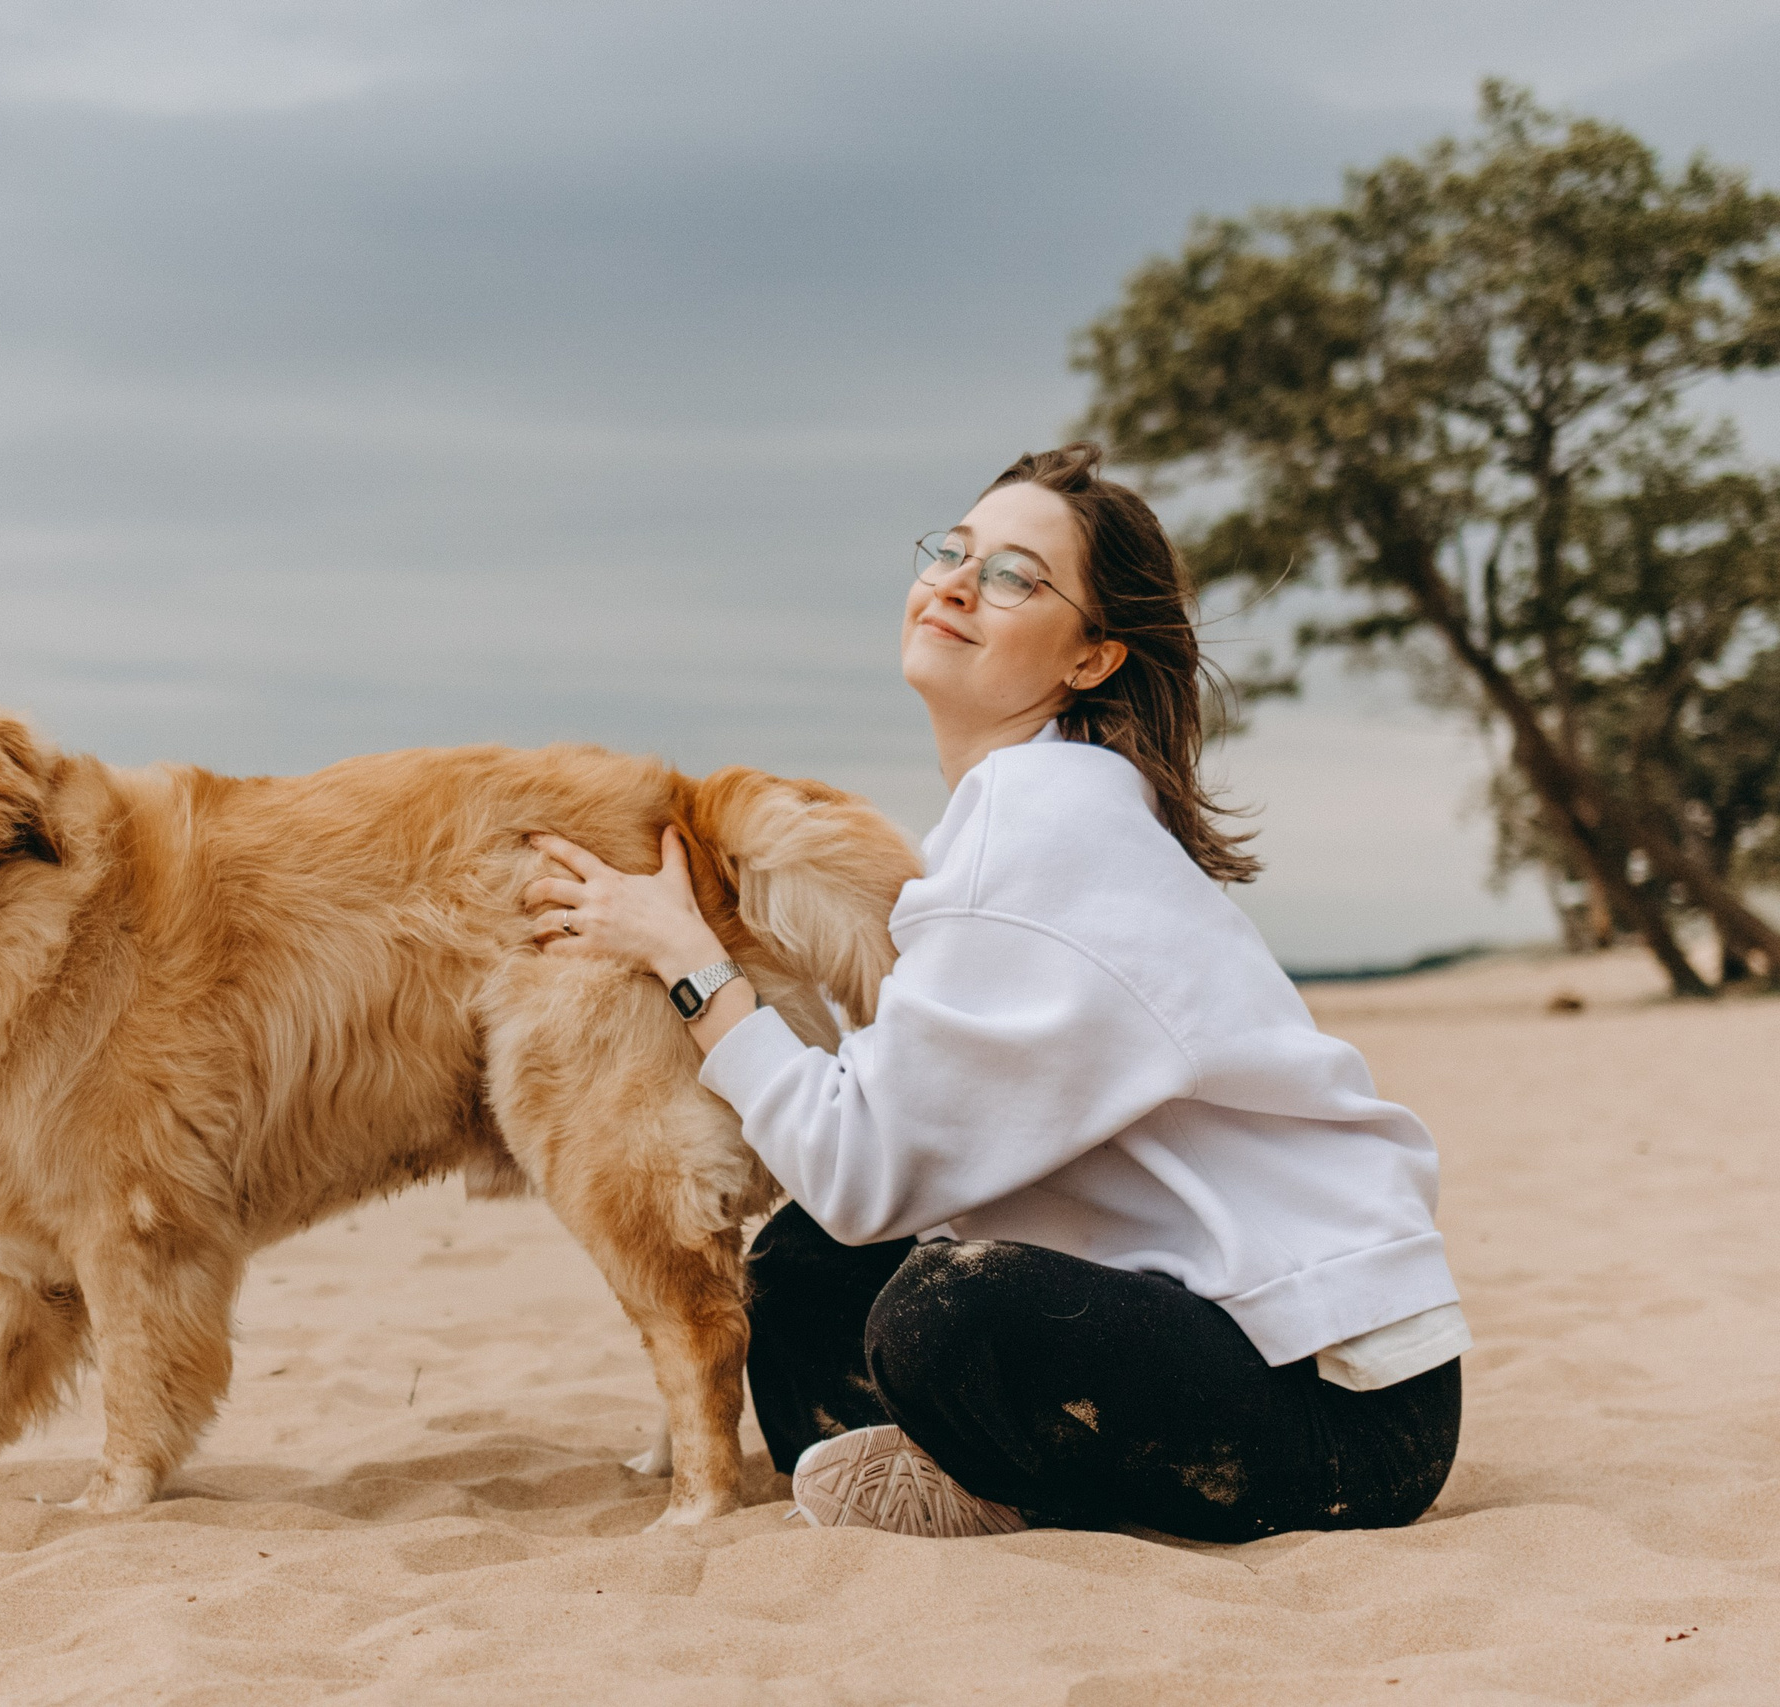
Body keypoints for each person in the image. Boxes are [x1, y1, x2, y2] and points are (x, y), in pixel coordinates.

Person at [519, 443, 1466, 1543]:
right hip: (1211, 1327)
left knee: (946, 1315)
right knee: (808, 1270)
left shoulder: (1043, 827)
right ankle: (967, 1476)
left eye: (1016, 575)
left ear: (1092, 656)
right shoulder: (1034, 809)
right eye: (953, 551)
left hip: (1342, 1414)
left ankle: (1004, 1488)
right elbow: (877, 1161)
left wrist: (689, 961)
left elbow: (859, 1166)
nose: (958, 583)